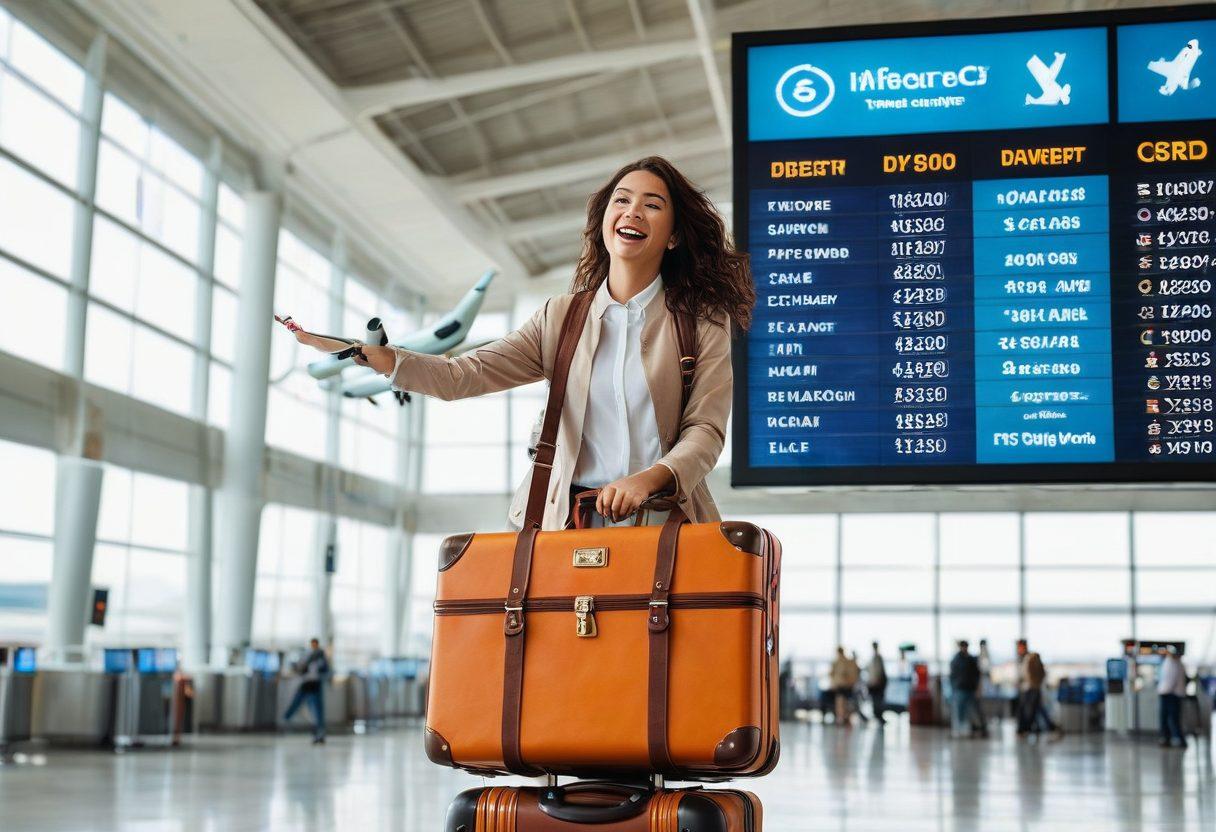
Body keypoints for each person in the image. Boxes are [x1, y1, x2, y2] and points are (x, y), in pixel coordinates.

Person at [278, 157, 753, 530]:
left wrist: (651, 478)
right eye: (621, 200)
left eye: (652, 204)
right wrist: (387, 360)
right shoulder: (561, 318)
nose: (632, 211)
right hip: (566, 523)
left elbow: (706, 432)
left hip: (666, 520)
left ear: (672, 237)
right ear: (605, 219)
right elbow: (464, 375)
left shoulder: (700, 325)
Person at [283, 638, 329, 744]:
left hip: (315, 686)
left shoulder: (321, 658)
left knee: (317, 711)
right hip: (306, 685)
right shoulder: (306, 656)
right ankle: (285, 721)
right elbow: (299, 669)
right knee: (296, 704)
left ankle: (319, 732)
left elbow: (325, 670)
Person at [1017, 647, 1061, 741]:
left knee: (1032, 711)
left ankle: (1026, 730)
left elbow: (1027, 677)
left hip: (1032, 690)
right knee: (1038, 710)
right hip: (1035, 689)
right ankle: (1050, 728)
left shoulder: (1030, 662)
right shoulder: (1037, 665)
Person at [1157, 647, 1188, 749]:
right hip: (1173, 694)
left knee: (1171, 718)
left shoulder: (1172, 663)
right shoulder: (1177, 663)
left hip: (1170, 694)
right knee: (1172, 718)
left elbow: (1171, 680)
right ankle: (1170, 739)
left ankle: (1174, 739)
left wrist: (1164, 691)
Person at [948, 640, 981, 738]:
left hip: (970, 689)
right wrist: (954, 688)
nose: (964, 648)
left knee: (970, 711)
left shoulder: (971, 659)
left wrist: (977, 688)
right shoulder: (956, 660)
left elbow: (976, 674)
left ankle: (969, 729)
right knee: (959, 711)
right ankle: (958, 729)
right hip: (960, 689)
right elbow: (952, 675)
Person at [830, 646, 861, 727]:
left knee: (844, 703)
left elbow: (854, 674)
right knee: (842, 702)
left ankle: (844, 718)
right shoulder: (838, 662)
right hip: (843, 686)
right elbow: (832, 674)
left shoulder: (845, 662)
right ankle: (842, 718)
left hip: (845, 686)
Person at [866, 641, 888, 723]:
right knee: (876, 700)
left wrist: (875, 680)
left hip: (877, 683)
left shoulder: (877, 657)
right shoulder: (874, 657)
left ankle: (879, 716)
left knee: (878, 700)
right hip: (875, 683)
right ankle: (878, 715)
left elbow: (878, 671)